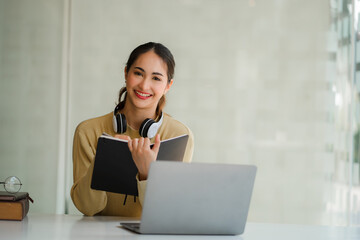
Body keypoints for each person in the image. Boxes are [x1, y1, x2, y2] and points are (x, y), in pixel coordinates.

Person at [70, 42, 194, 216]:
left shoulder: (179, 135)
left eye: (156, 78)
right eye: (138, 73)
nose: (144, 86)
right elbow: (87, 208)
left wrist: (147, 172)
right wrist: (104, 161)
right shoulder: (88, 131)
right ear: (126, 73)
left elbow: (166, 212)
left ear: (168, 86)